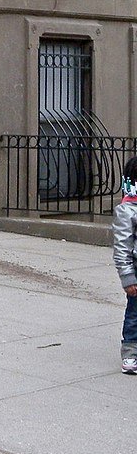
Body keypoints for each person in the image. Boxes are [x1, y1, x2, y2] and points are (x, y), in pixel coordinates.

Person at [113, 156, 137, 374]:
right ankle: (130, 352)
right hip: (136, 271)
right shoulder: (128, 210)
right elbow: (122, 248)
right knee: (134, 314)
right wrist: (128, 278)